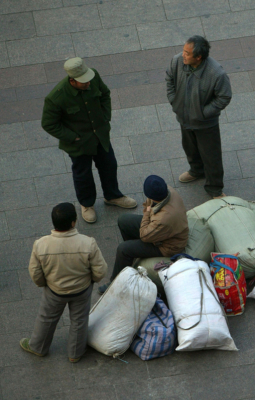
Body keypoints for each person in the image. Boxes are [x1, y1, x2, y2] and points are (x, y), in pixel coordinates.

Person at [42, 57, 137, 224]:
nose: (88, 83)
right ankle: (86, 204)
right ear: (72, 81)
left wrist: (105, 116)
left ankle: (112, 196)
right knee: (82, 174)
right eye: (83, 82)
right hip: (79, 144)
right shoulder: (56, 98)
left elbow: (105, 94)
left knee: (109, 165)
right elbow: (48, 124)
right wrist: (72, 137)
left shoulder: (94, 77)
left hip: (100, 135)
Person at [21, 203, 107, 363]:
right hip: (82, 290)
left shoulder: (41, 244)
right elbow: (100, 271)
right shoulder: (88, 243)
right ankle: (75, 353)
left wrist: (44, 284)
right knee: (79, 320)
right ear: (73, 222)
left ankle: (38, 347)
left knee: (46, 318)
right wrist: (91, 281)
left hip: (54, 290)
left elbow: (35, 273)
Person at [166, 35, 232, 199]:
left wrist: (203, 113)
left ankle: (214, 188)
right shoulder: (177, 62)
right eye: (183, 50)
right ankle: (196, 170)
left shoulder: (216, 73)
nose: (183, 55)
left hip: (205, 124)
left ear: (199, 57)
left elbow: (224, 97)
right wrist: (175, 101)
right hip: (184, 118)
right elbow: (169, 79)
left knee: (211, 156)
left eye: (187, 53)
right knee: (189, 147)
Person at [99, 175, 189, 294]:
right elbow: (149, 204)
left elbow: (144, 235)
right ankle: (133, 256)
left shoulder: (163, 218)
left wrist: (147, 210)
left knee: (123, 249)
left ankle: (116, 283)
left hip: (168, 246)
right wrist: (149, 207)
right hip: (161, 229)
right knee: (123, 220)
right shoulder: (167, 190)